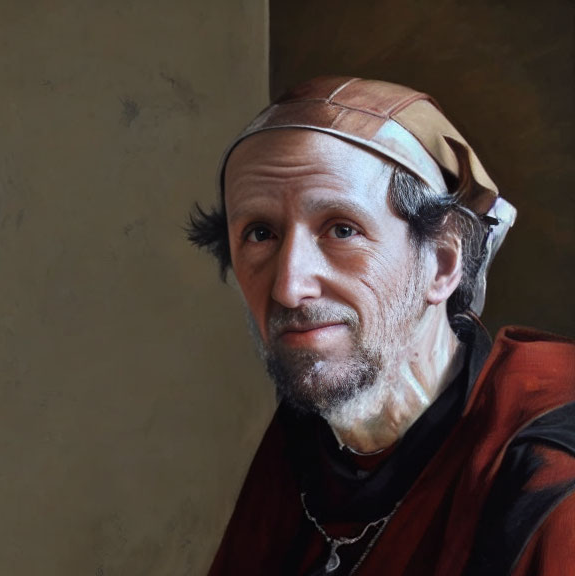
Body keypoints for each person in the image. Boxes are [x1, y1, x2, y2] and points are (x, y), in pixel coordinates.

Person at [187, 76, 575, 576]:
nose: (288, 287)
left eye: (342, 230)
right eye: (260, 234)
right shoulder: (310, 435)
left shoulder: (548, 467)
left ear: (441, 262)